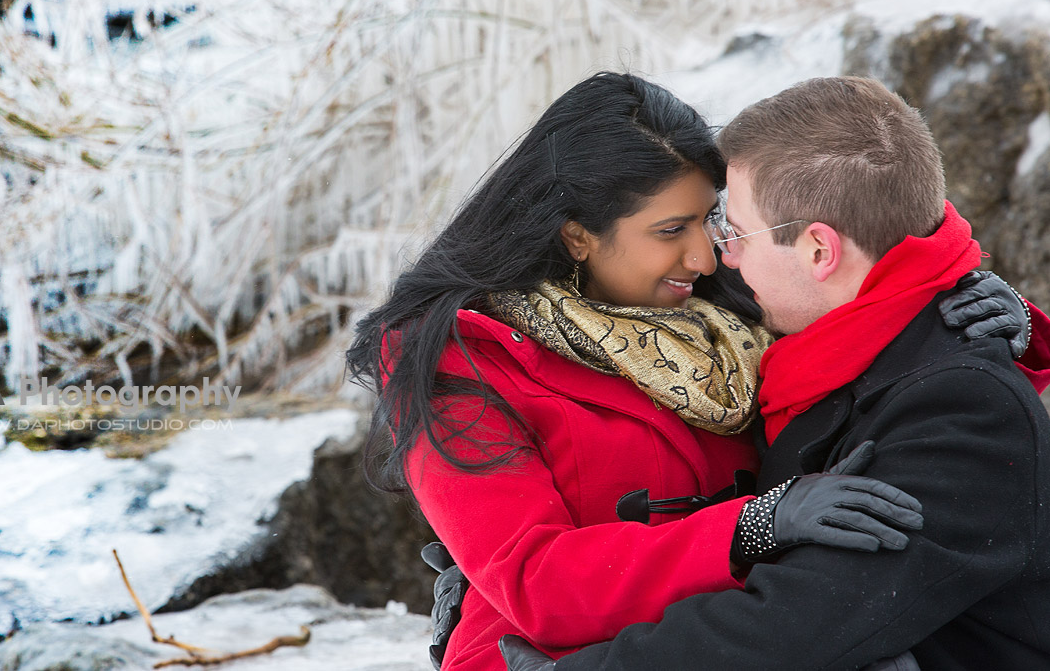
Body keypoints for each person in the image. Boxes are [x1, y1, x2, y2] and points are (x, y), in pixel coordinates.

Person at [346, 72, 1047, 671]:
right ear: (578, 233)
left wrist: (967, 294)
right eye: (670, 230)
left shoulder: (722, 308)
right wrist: (752, 526)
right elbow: (535, 579)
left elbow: (863, 255)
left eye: (713, 222)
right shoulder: (460, 363)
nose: (708, 256)